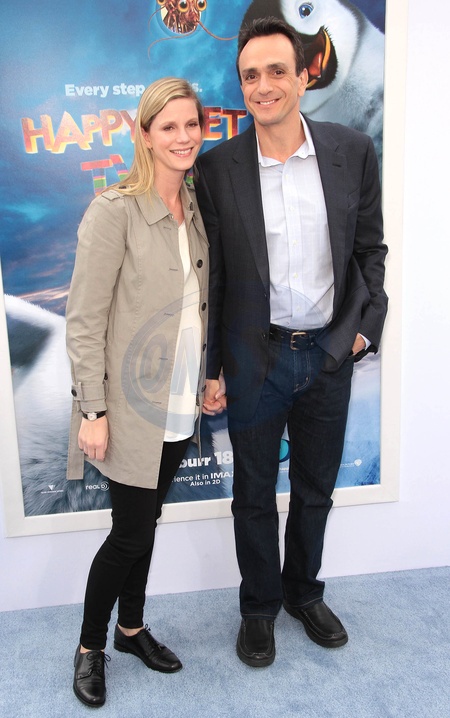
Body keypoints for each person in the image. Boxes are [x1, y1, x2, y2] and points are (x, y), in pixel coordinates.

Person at [195, 17, 388, 667]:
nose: (264, 85)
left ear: (305, 75)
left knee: (314, 490)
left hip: (330, 354)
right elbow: (215, 278)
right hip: (257, 358)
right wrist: (214, 367)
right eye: (250, 75)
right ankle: (259, 607)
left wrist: (365, 329)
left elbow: (371, 250)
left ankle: (304, 593)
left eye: (278, 70)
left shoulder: (351, 151)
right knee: (252, 495)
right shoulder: (217, 168)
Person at [66, 77, 208, 706]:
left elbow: (198, 303)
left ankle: (131, 629)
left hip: (180, 400)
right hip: (127, 407)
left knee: (145, 524)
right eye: (168, 126)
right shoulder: (114, 210)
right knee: (129, 532)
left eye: (191, 124)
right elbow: (84, 320)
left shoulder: (196, 203)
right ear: (144, 135)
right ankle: (89, 647)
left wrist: (209, 377)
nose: (183, 137)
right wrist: (93, 409)